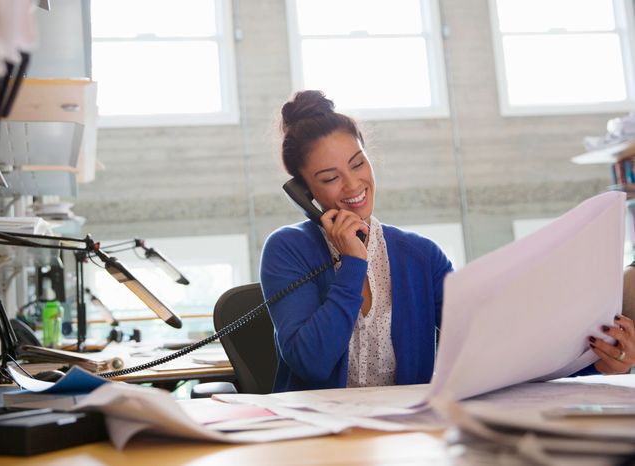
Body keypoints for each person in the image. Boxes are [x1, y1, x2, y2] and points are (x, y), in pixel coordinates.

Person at [260, 90, 634, 393]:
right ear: (304, 191)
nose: (353, 185)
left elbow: (491, 352)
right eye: (330, 178)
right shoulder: (287, 250)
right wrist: (352, 265)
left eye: (358, 164)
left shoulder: (421, 256)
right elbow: (312, 362)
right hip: (315, 439)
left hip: (409, 436)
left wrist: (594, 363)